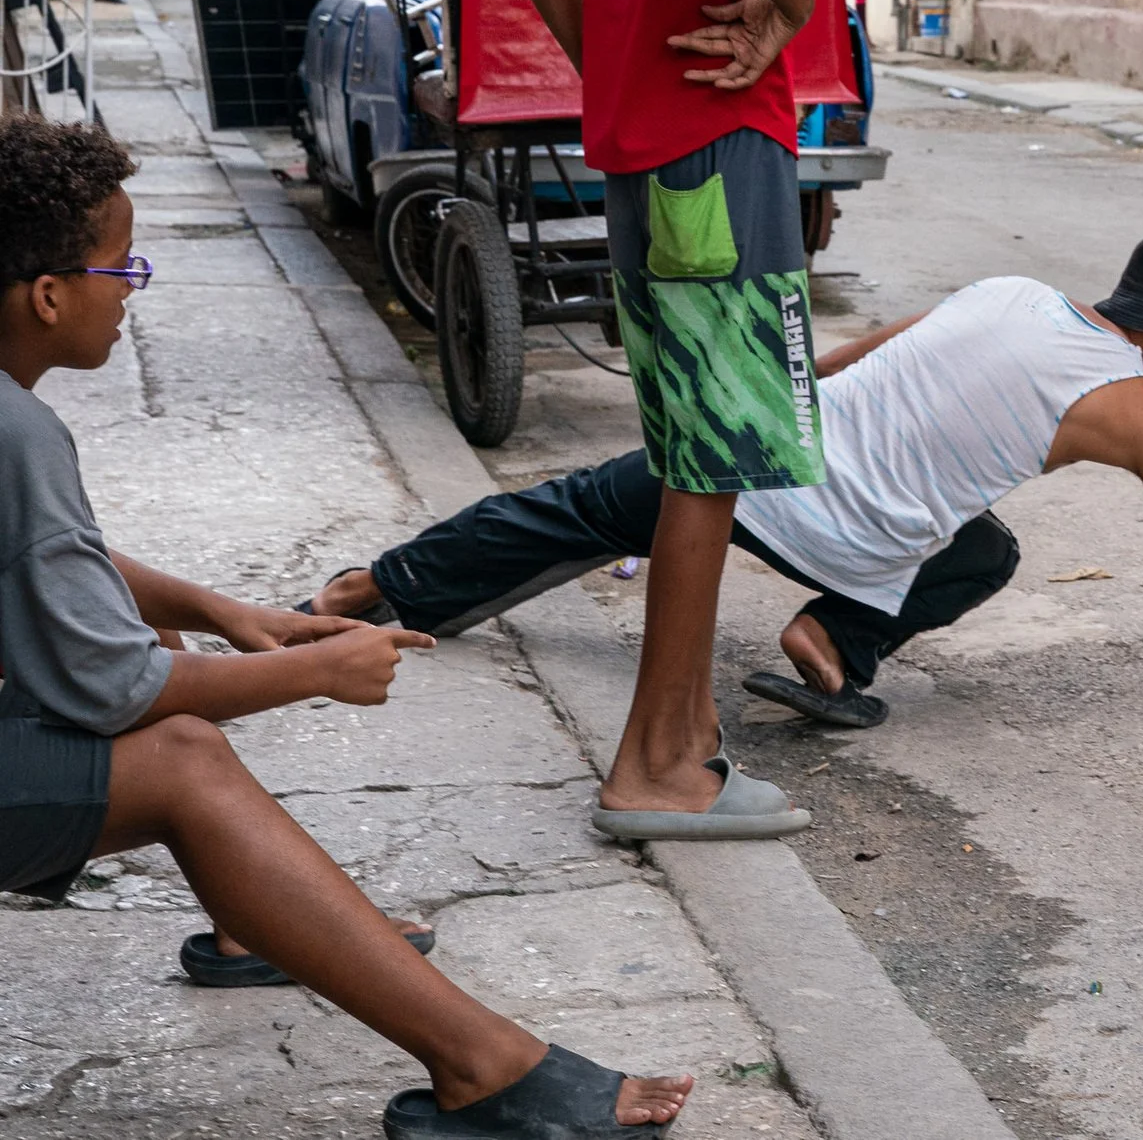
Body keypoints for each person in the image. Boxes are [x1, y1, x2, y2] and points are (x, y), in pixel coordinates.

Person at [0, 115, 693, 1137]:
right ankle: (484, 1065)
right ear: (50, 294)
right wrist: (323, 666)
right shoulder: (17, 431)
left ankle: (257, 918)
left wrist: (218, 608)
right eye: (123, 268)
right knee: (182, 755)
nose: (134, 293)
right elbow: (113, 687)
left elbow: (42, 564)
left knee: (176, 669)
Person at [302, 235, 1143, 727]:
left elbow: (856, 350)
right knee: (982, 553)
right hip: (850, 535)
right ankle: (836, 640)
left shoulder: (1009, 285)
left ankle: (366, 589)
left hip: (763, 461)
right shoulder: (1140, 418)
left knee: (566, 509)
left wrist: (749, 413)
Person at [494, 0, 876, 840]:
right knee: (710, 466)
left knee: (683, 453)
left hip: (648, 152)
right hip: (724, 148)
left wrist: (607, 60)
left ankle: (688, 742)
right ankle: (653, 765)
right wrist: (788, 2)